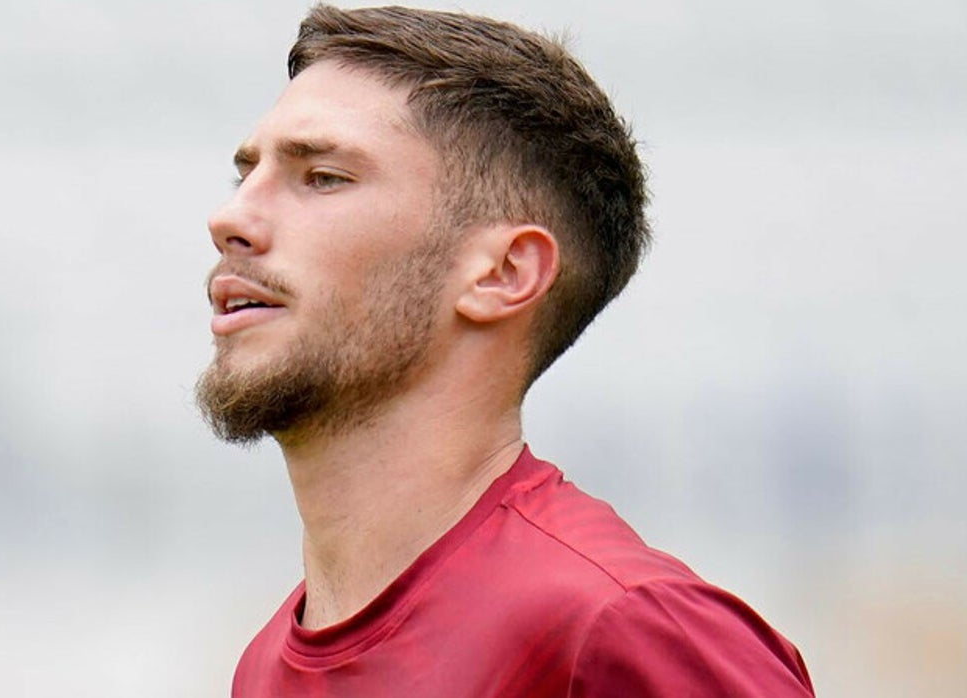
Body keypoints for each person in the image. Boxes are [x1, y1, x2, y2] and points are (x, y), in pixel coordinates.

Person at [197, 4, 815, 696]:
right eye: (244, 175)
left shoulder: (620, 628)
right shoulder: (267, 664)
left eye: (324, 178)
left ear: (503, 275)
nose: (230, 219)